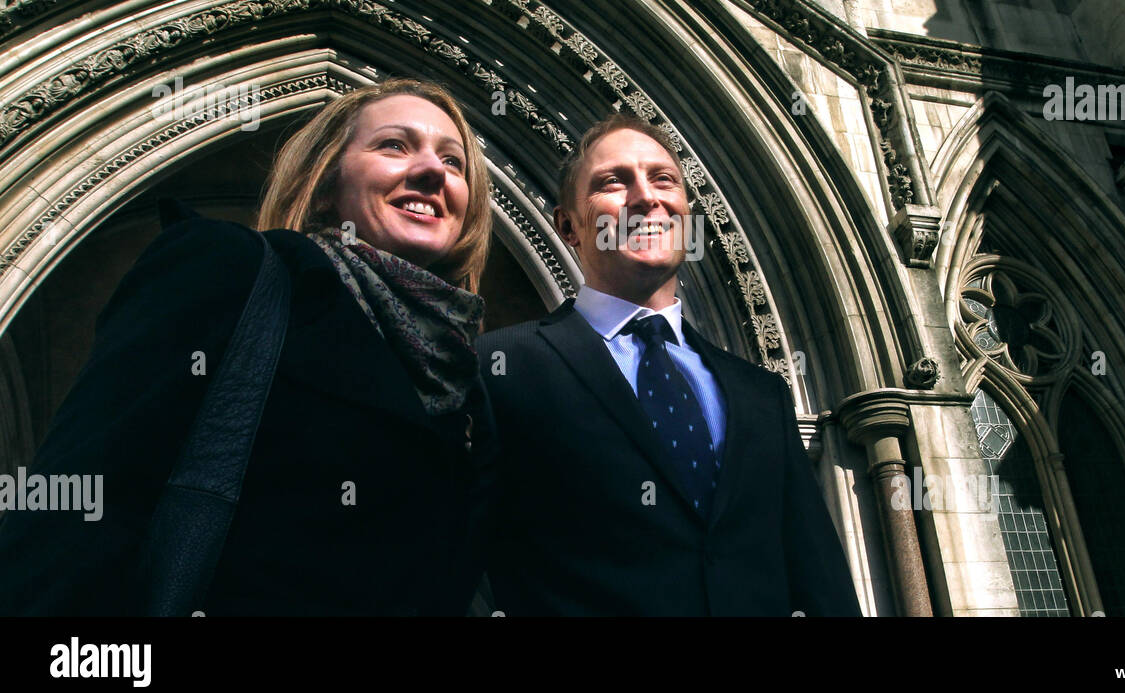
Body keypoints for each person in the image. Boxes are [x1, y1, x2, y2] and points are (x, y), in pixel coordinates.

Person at [0, 78, 496, 615]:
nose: (431, 171)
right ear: (325, 182)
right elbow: (82, 499)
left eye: (454, 163)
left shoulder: (467, 375)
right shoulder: (232, 269)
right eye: (394, 146)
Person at [478, 113, 861, 615]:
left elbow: (821, 582)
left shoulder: (762, 395)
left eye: (663, 179)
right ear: (568, 226)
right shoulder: (501, 366)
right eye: (613, 182)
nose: (646, 197)